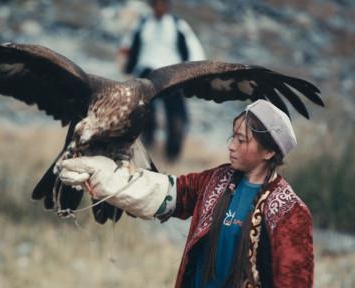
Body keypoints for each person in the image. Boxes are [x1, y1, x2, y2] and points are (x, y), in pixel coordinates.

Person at [59, 100, 314, 288]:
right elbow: (166, 192)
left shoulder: (290, 212)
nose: (231, 146)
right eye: (232, 137)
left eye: (241, 140)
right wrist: (106, 177)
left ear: (268, 152)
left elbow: (295, 281)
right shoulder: (215, 180)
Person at [118, 0, 206, 161]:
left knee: (176, 116)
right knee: (144, 114)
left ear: (167, 6)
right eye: (156, 4)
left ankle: (172, 155)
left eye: (162, 4)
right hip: (146, 73)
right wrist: (127, 68)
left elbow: (194, 50)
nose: (159, 8)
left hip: (171, 74)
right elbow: (127, 47)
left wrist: (192, 74)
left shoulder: (178, 25)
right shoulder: (142, 24)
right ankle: (148, 150)